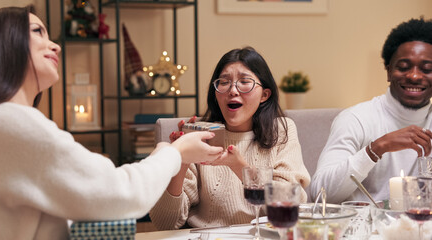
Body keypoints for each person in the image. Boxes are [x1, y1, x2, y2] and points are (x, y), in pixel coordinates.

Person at [0, 6, 223, 240]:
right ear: (2, 41)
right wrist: (173, 153)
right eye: (37, 31)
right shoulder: (12, 122)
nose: (55, 46)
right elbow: (122, 195)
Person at [149, 47, 310, 230]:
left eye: (244, 81)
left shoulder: (281, 130)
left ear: (264, 94)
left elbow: (291, 203)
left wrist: (239, 167)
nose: (233, 90)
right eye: (224, 82)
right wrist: (181, 159)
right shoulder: (198, 138)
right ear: (216, 93)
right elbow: (165, 222)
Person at [311, 17, 432, 204]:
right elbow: (320, 194)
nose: (414, 76)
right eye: (404, 67)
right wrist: (375, 149)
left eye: (427, 69)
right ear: (388, 71)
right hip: (365, 230)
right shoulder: (356, 119)